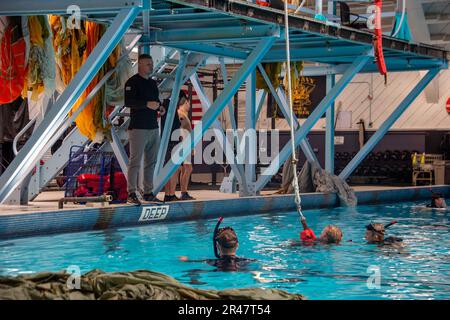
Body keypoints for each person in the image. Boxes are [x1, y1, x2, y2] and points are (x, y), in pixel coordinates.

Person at [124, 54, 165, 205]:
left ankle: (148, 192)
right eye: (148, 64)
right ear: (140, 65)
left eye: (151, 63)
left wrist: (160, 108)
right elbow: (129, 102)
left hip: (153, 127)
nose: (151, 66)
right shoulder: (132, 83)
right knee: (135, 161)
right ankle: (131, 193)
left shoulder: (153, 84)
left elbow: (157, 101)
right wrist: (146, 104)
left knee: (151, 162)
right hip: (138, 128)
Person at [179, 217, 255, 271]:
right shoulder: (247, 261)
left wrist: (186, 260)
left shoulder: (211, 262)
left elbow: (194, 269)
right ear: (237, 245)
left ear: (217, 246)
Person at [161, 90, 195, 202]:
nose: (186, 102)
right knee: (179, 169)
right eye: (185, 100)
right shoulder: (179, 113)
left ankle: (171, 194)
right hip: (176, 143)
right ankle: (173, 194)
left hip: (175, 142)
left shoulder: (174, 110)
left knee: (178, 169)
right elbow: (180, 130)